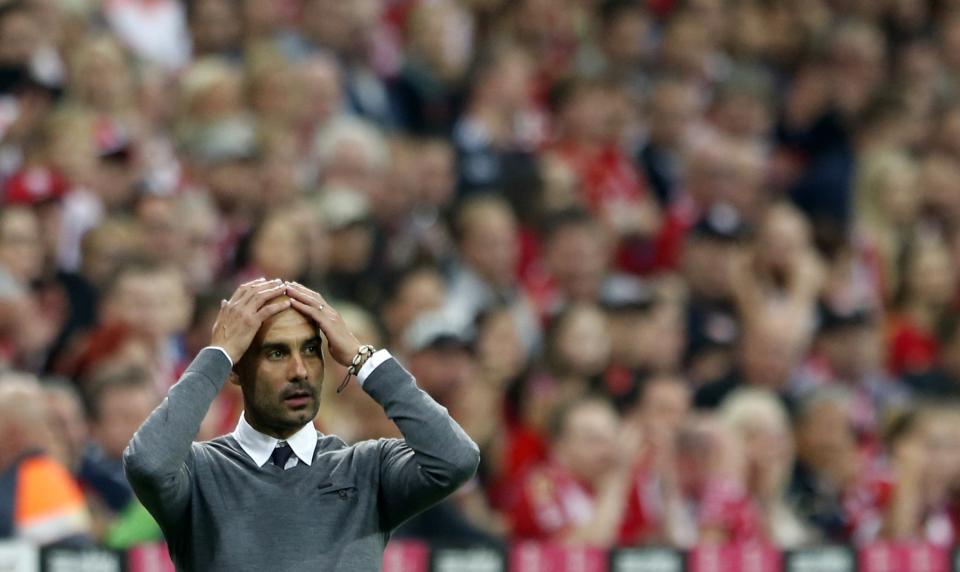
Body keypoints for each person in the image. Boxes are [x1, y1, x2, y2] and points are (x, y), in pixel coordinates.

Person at [123, 278, 479, 571]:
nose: (300, 371)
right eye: (277, 353)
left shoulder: (367, 467)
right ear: (237, 369)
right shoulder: (199, 473)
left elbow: (455, 459)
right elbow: (148, 463)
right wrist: (218, 355)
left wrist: (363, 359)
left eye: (310, 350)